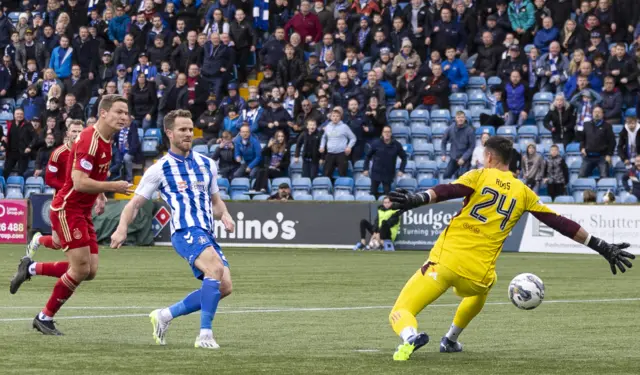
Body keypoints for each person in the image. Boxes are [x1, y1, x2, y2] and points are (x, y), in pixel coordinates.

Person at [386, 136, 634, 361]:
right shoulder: (523, 192)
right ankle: (450, 339)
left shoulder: (480, 175)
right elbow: (560, 223)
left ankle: (409, 337)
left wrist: (417, 199)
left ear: (490, 158)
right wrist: (601, 246)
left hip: (446, 262)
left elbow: (448, 190)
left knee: (402, 310)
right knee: (482, 289)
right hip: (478, 275)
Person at [110, 109, 235, 349]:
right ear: (169, 133)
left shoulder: (207, 164)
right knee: (215, 269)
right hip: (185, 231)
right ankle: (205, 335)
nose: (188, 134)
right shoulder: (159, 169)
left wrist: (226, 215)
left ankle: (164, 315)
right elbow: (134, 204)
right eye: (183, 130)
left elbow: (216, 202)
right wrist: (121, 228)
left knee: (225, 286)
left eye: (190, 129)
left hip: (207, 232)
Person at [10, 95, 133, 335]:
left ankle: (31, 268)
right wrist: (111, 186)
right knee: (79, 270)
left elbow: (89, 179)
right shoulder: (90, 140)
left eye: (126, 113)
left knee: (90, 270)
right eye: (119, 112)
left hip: (81, 210)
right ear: (104, 113)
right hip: (68, 209)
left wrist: (99, 194)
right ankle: (44, 317)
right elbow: (78, 182)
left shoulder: (106, 140)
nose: (124, 117)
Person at [26, 121, 85, 255]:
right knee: (56, 243)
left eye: (79, 131)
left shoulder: (87, 152)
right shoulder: (58, 153)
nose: (76, 134)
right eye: (74, 131)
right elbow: (49, 179)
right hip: (62, 202)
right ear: (67, 133)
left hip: (81, 202)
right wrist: (68, 188)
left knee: (80, 238)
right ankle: (38, 239)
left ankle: (77, 266)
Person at [363, 126, 407, 198]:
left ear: (391, 133)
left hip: (388, 174)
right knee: (373, 194)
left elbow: (404, 157)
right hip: (376, 173)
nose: (387, 134)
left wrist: (401, 170)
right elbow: (368, 156)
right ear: (382, 133)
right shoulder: (376, 143)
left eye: (388, 132)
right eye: (385, 132)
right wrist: (366, 168)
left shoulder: (396, 145)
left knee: (387, 196)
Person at [579, 106, 615, 178]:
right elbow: (582, 139)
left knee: (604, 178)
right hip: (588, 157)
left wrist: (609, 154)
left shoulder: (607, 126)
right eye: (595, 112)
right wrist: (582, 148)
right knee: (581, 176)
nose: (597, 114)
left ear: (602, 114)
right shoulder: (586, 124)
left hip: (602, 157)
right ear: (592, 113)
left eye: (599, 112)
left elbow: (612, 142)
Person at [319, 107, 356, 178]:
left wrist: (349, 147)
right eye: (333, 116)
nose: (335, 118)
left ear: (340, 117)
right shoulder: (327, 126)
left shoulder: (344, 127)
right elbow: (324, 137)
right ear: (331, 117)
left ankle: (342, 188)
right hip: (330, 153)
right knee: (326, 174)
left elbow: (353, 138)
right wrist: (322, 146)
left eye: (337, 116)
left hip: (341, 154)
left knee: (342, 174)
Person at [441, 111, 475, 179]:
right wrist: (443, 153)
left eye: (462, 117)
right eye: (458, 117)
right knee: (446, 175)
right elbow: (443, 142)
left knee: (463, 178)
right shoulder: (450, 129)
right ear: (455, 119)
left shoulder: (470, 130)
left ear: (465, 118)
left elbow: (472, 147)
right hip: (454, 158)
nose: (460, 119)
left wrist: (463, 158)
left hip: (465, 159)